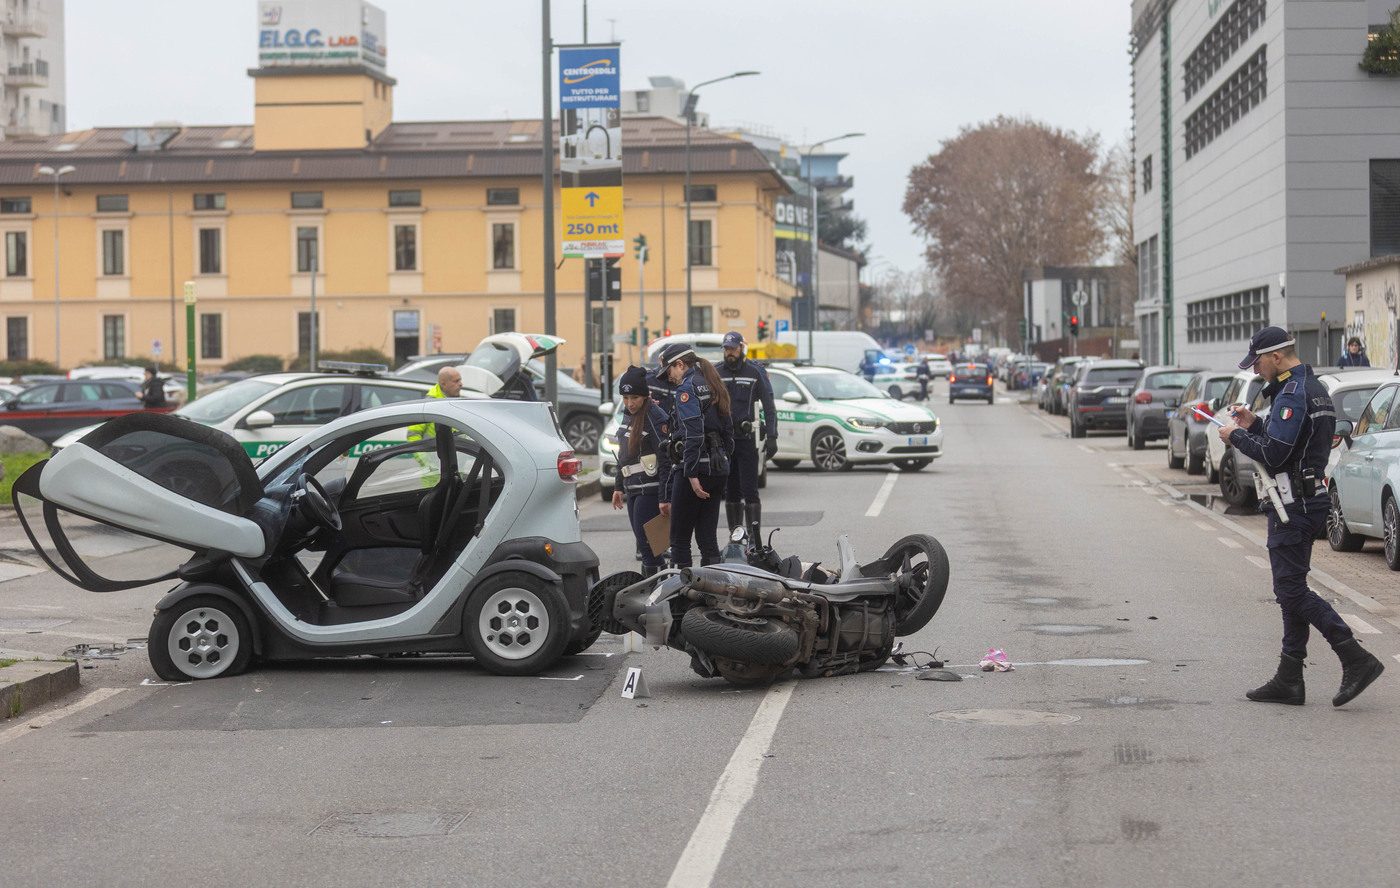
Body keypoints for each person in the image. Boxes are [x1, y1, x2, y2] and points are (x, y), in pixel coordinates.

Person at [1219, 325, 1384, 707]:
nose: (1256, 370)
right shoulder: (1314, 388)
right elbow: (1296, 445)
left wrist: (1235, 437)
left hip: (1293, 505)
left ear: (1277, 356)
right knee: (1291, 589)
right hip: (1305, 501)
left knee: (1290, 590)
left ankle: (1355, 657)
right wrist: (1255, 424)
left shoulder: (1293, 392)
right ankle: (1290, 677)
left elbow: (1276, 454)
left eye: (1258, 362)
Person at [658, 342, 733, 568]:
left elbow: (693, 434)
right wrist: (723, 460)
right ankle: (715, 593)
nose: (668, 378)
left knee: (679, 540)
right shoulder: (712, 383)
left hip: (695, 471)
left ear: (680, 364)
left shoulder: (687, 389)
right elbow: (729, 430)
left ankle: (684, 596)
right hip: (718, 469)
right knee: (707, 538)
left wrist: (691, 474)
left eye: (669, 371)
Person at [610, 367, 673, 576]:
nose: (630, 403)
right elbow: (624, 455)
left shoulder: (655, 416)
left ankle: (656, 592)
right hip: (633, 488)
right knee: (645, 544)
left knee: (650, 545)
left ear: (645, 395)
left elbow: (665, 460)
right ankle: (656, 586)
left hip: (651, 489)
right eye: (626, 397)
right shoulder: (628, 415)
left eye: (634, 397)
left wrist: (665, 497)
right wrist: (618, 486)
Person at [717, 332, 777, 539]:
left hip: (746, 440)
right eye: (726, 349)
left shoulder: (754, 371)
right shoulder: (716, 372)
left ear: (742, 347)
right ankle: (736, 536)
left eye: (733, 348)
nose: (729, 353)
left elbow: (769, 406)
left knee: (750, 490)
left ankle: (754, 536)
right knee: (730, 492)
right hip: (725, 441)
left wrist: (772, 436)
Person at [406, 366, 463, 442]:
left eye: (460, 380)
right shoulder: (428, 405)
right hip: (434, 453)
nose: (461, 384)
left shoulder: (457, 402)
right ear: (443, 383)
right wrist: (424, 454)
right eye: (456, 381)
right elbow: (413, 435)